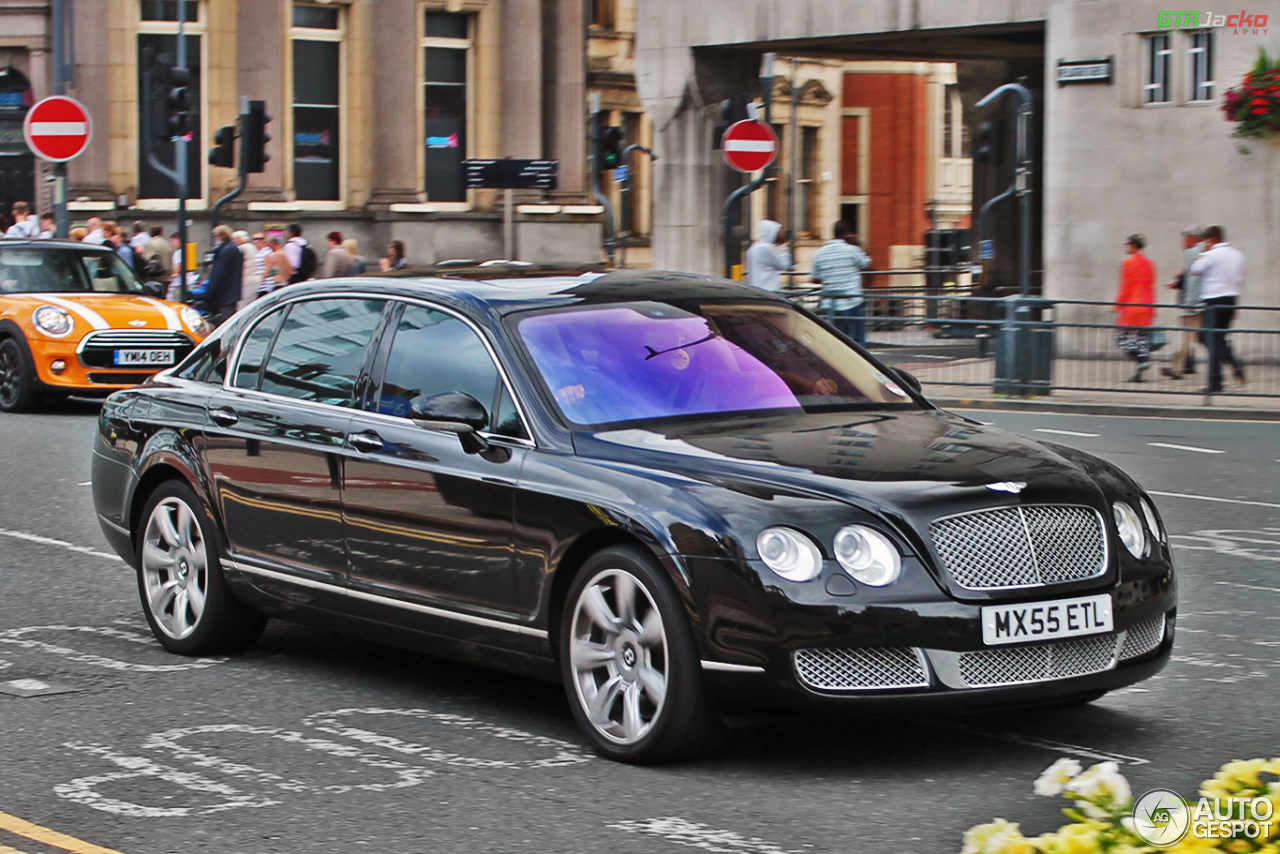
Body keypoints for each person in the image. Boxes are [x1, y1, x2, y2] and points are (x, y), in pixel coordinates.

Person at [1188, 224, 1246, 393]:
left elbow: (1195, 270)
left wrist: (1202, 252)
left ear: (1211, 240)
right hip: (1231, 299)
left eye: (1206, 242)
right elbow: (1238, 280)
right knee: (1218, 339)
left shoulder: (1211, 254)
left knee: (1208, 339)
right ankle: (1234, 365)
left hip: (1214, 301)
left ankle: (1216, 383)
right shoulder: (1237, 255)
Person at [810, 220, 872, 345]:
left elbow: (814, 278)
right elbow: (866, 263)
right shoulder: (852, 250)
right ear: (847, 234)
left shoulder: (820, 253)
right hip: (852, 300)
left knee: (838, 341)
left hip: (831, 302)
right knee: (858, 340)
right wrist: (857, 243)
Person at [1161, 227, 1205, 380]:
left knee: (1189, 338)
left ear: (1193, 239)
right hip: (1204, 303)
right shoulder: (1203, 251)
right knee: (1202, 338)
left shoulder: (1192, 253)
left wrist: (1190, 303)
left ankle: (1178, 368)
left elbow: (1194, 281)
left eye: (1185, 239)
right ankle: (1182, 367)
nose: (1183, 243)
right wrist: (1179, 282)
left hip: (1195, 305)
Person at [1114, 234, 1156, 382]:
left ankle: (1141, 360)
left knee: (1121, 338)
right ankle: (1140, 369)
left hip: (1132, 306)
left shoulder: (1128, 263)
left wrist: (1118, 305)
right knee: (1141, 339)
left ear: (1132, 245)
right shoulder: (1150, 264)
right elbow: (1151, 287)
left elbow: (1125, 287)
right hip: (1147, 306)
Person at [205, 225, 243, 326]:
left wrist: (209, 294)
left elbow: (218, 274)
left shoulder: (225, 250)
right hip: (231, 294)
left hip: (224, 295)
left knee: (224, 323)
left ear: (220, 236)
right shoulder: (233, 248)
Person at [745, 219, 791, 292]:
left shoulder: (753, 248)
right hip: (769, 289)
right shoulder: (767, 248)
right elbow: (784, 265)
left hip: (756, 287)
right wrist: (783, 246)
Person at [234, 230, 263, 307]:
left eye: (235, 239)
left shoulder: (241, 248)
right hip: (255, 280)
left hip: (246, 281)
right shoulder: (252, 247)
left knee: (242, 305)